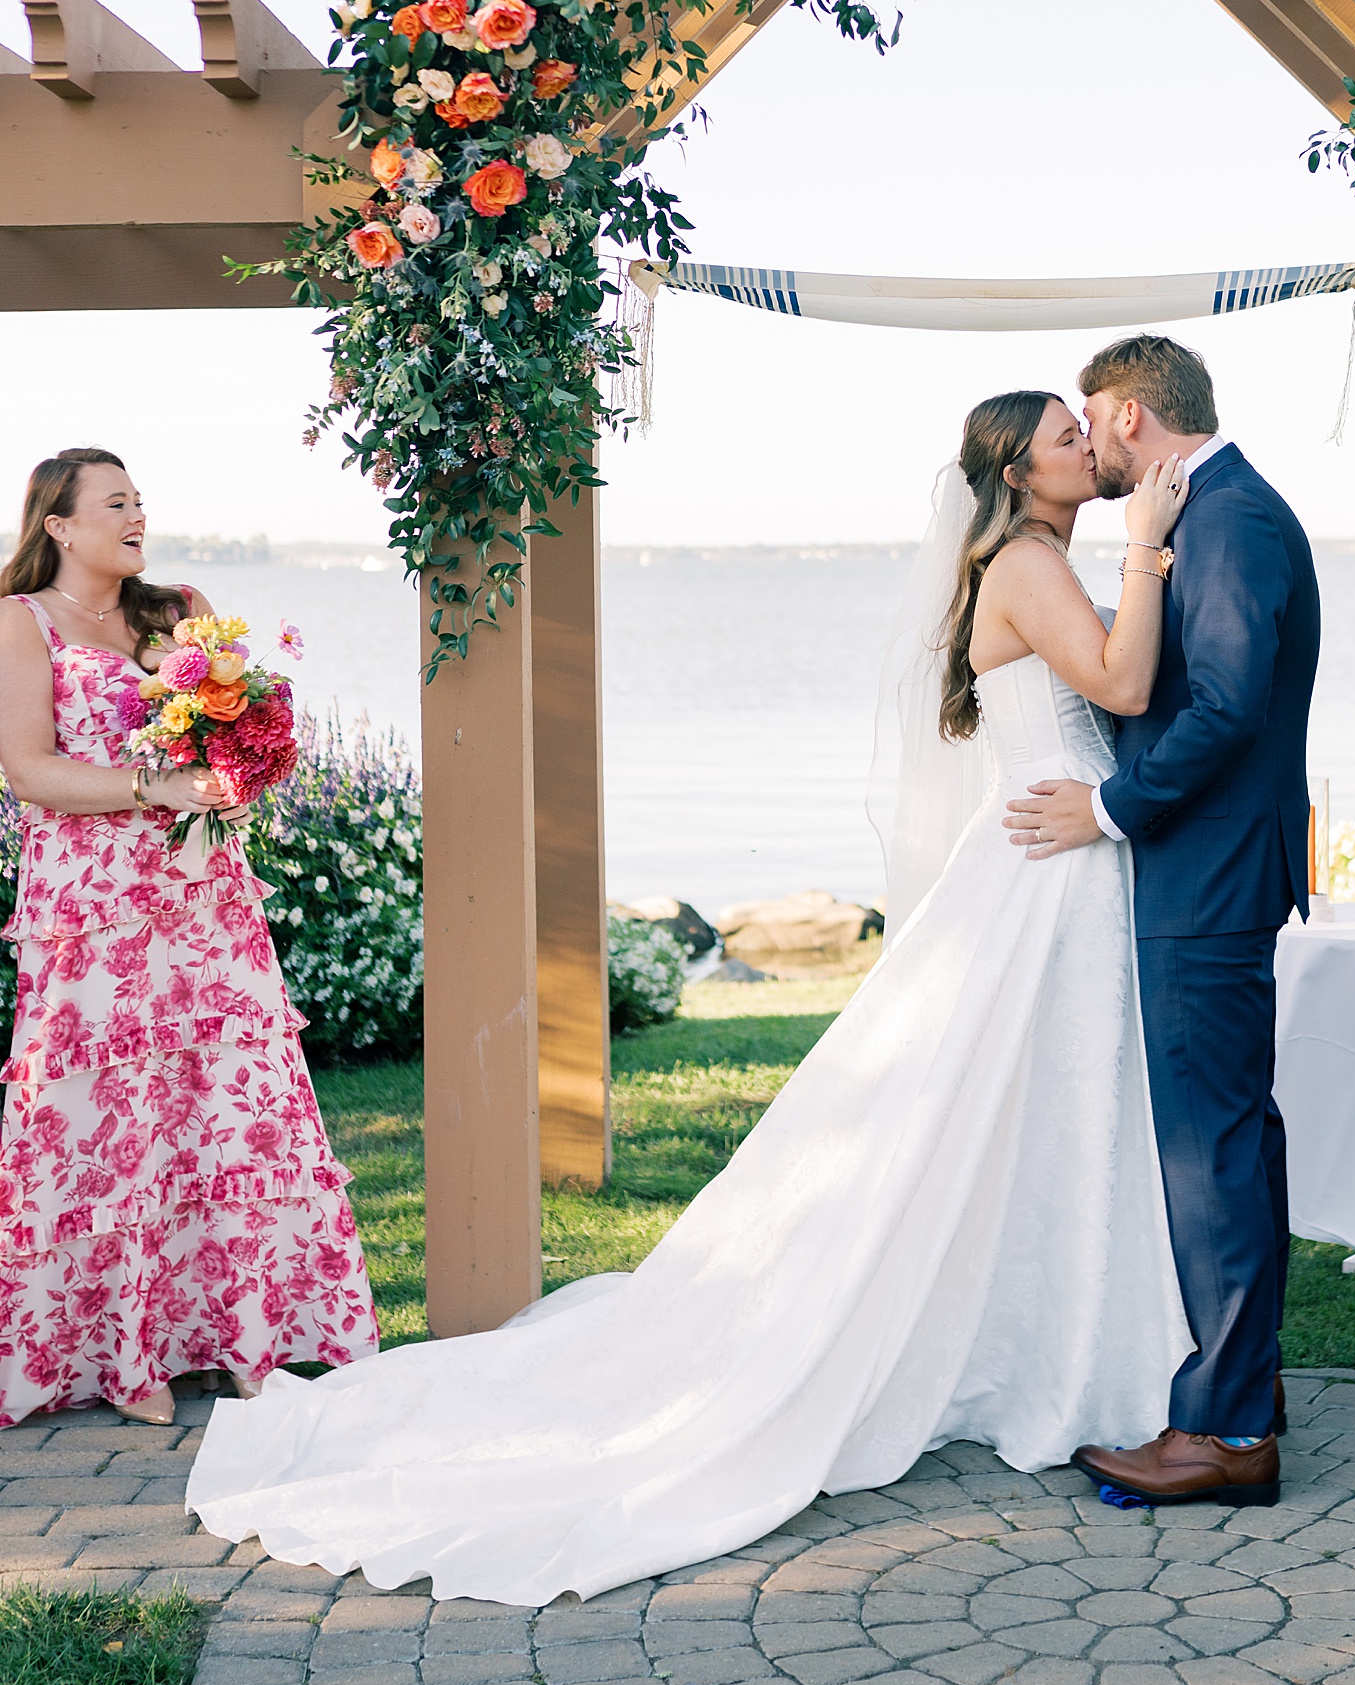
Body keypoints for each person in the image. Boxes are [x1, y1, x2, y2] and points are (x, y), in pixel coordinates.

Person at [188, 393, 1199, 1605]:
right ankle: (1065, 1357)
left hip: (1060, 854)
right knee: (1036, 1105)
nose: (1088, 444)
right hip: (1050, 858)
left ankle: (1049, 1343)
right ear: (1017, 471)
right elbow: (1123, 687)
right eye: (1063, 435)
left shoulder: (1033, 557)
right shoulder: (1031, 562)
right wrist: (1149, 544)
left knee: (1040, 1112)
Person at [1004, 335, 1320, 1510]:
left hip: (1204, 873)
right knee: (1233, 1138)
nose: (1088, 441)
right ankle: (1248, 1386)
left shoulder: (1227, 519)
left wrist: (1108, 808)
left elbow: (1227, 705)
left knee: (1212, 1150)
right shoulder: (1218, 506)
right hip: (1213, 869)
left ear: (1131, 415)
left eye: (1091, 418)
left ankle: (1227, 1432)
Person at [0, 448, 376, 1429]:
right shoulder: (21, 621)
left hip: (203, 896)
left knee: (226, 1112)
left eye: (139, 500)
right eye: (114, 503)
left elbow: (234, 741)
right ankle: (127, 1357)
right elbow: (30, 772)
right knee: (117, 1125)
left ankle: (251, 1335)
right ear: (59, 524)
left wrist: (233, 778)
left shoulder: (180, 610)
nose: (137, 516)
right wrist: (153, 786)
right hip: (92, 912)